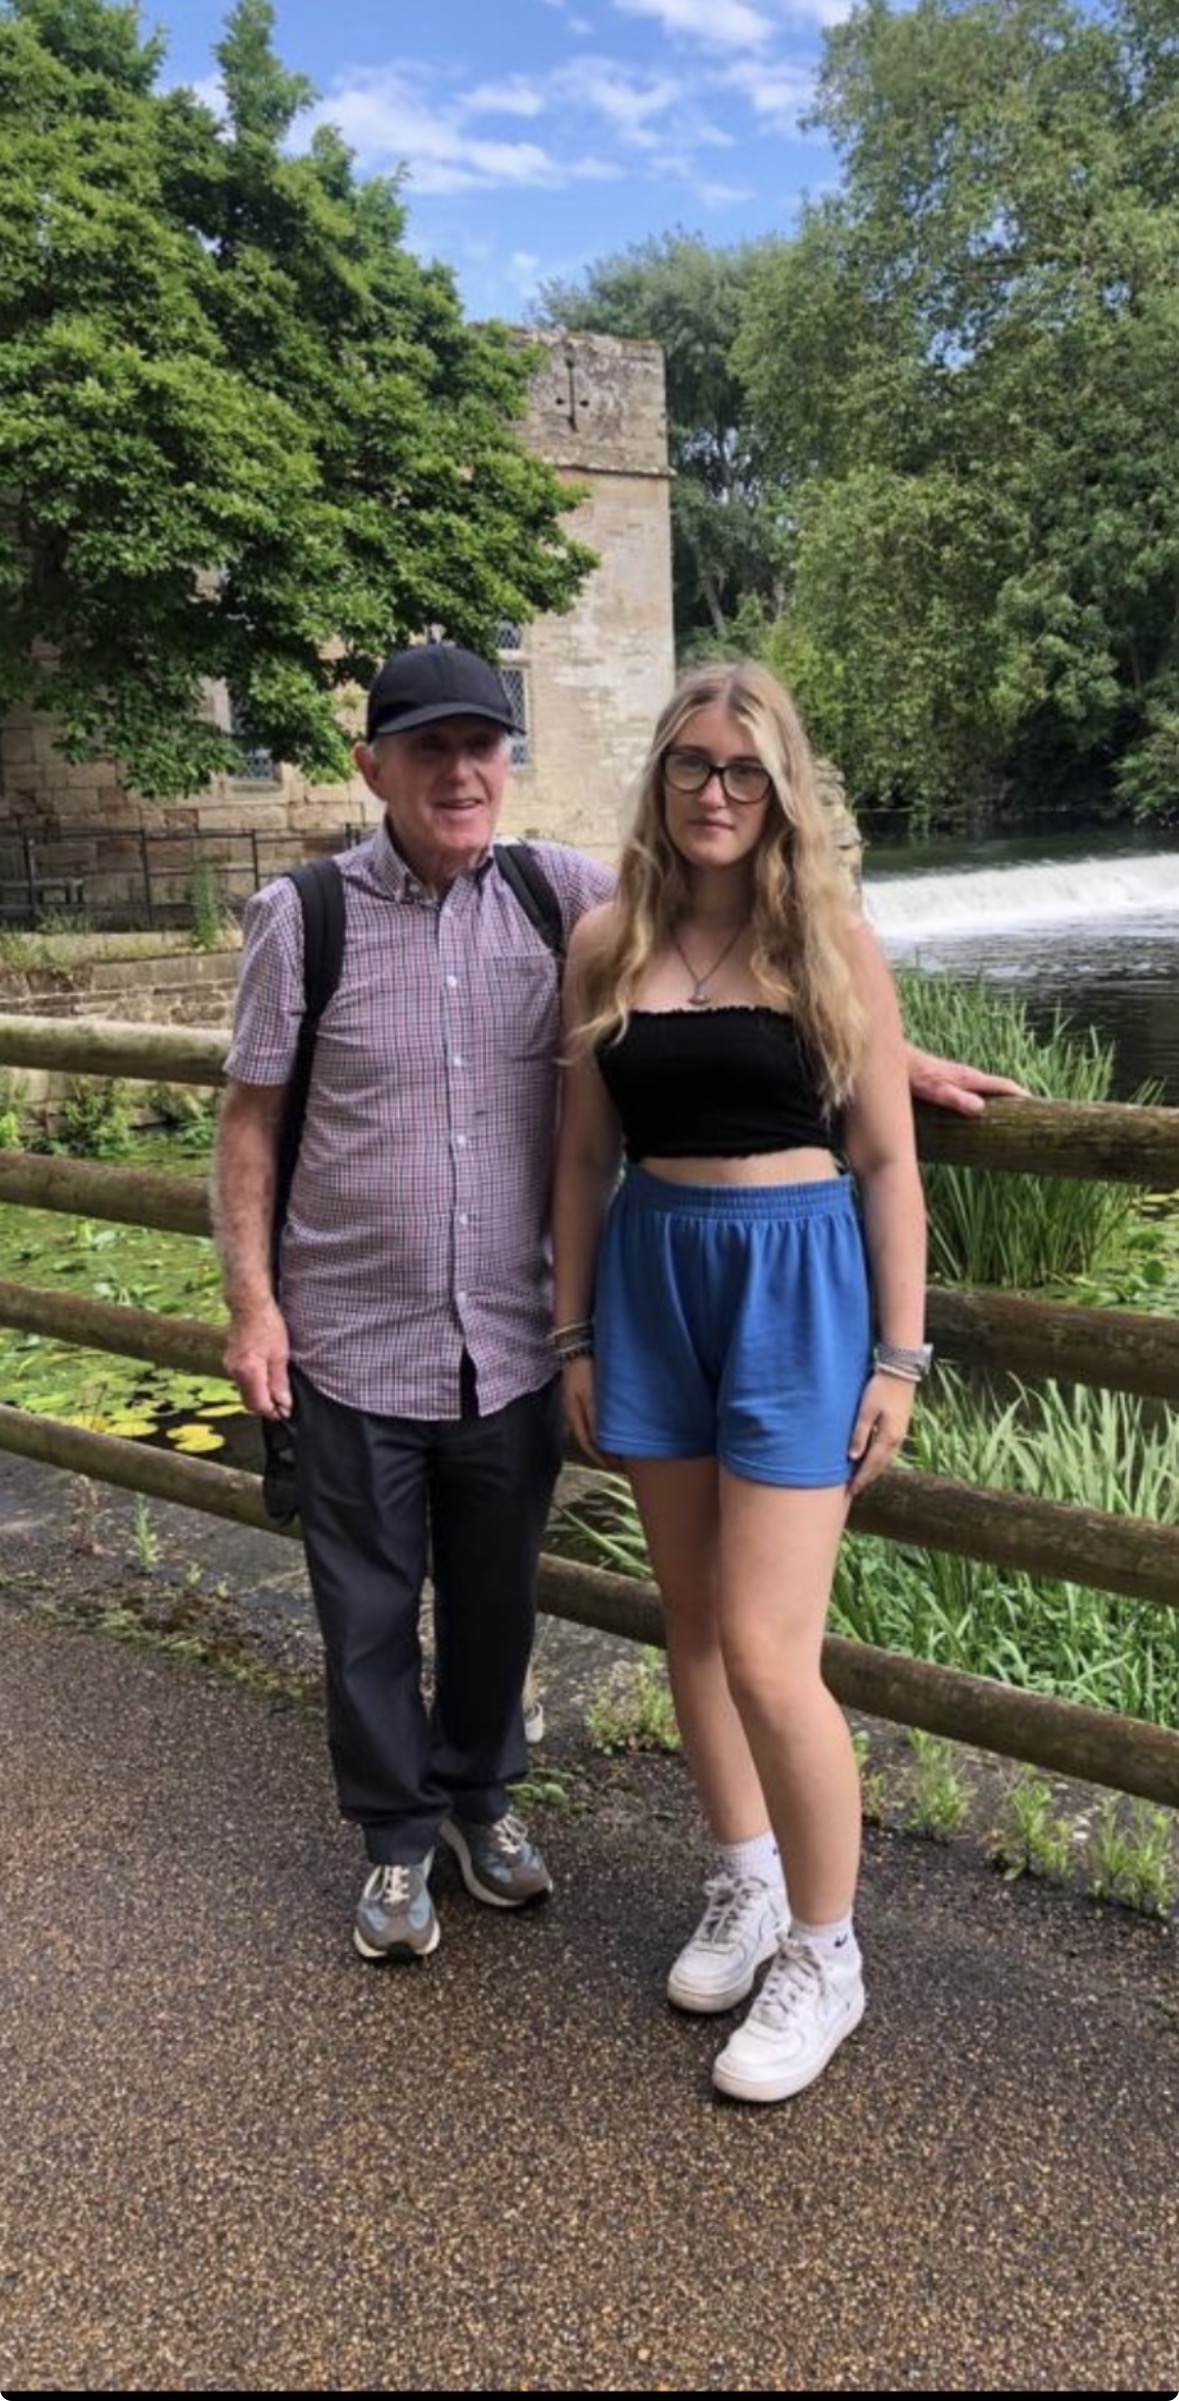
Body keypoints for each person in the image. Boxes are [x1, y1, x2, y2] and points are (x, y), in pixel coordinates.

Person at [213, 639, 1018, 1972]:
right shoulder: (321, 917)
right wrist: (252, 1301)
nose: (461, 773)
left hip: (534, 1332)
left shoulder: (561, 897)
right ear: (375, 768)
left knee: (506, 1599)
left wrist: (888, 1049)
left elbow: (770, 985)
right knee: (368, 1608)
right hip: (366, 1327)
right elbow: (252, 1123)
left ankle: (497, 1807)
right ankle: (402, 1840)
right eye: (430, 750)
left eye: (483, 747)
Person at [551, 658, 930, 2105]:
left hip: (797, 1287)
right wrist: (575, 1331)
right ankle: (746, 1881)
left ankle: (829, 1954)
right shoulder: (608, 939)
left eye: (745, 771)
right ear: (660, 778)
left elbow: (886, 1159)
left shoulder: (828, 937)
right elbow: (584, 1157)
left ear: (781, 791)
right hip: (652, 1280)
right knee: (694, 1625)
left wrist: (899, 1350)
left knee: (775, 1650)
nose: (716, 792)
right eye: (693, 765)